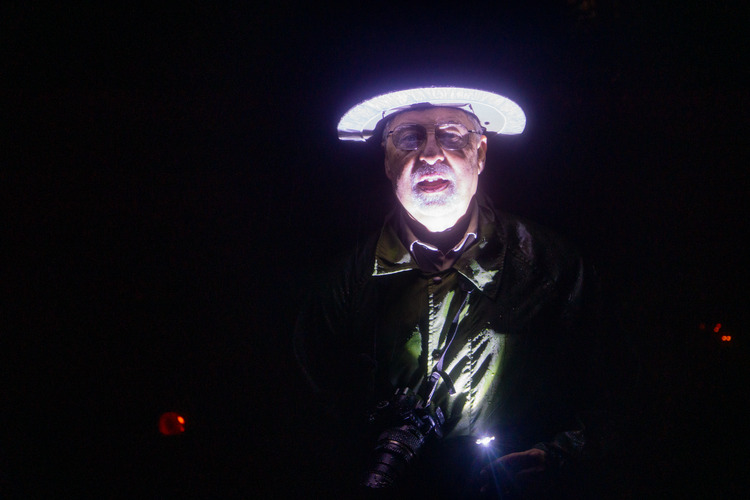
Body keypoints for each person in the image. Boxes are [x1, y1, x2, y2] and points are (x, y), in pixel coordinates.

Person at [294, 87, 604, 498]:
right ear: (387, 159)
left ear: (481, 153)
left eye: (452, 135)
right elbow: (306, 415)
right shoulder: (343, 283)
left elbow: (613, 395)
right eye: (409, 137)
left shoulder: (552, 267)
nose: (430, 154)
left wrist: (558, 458)